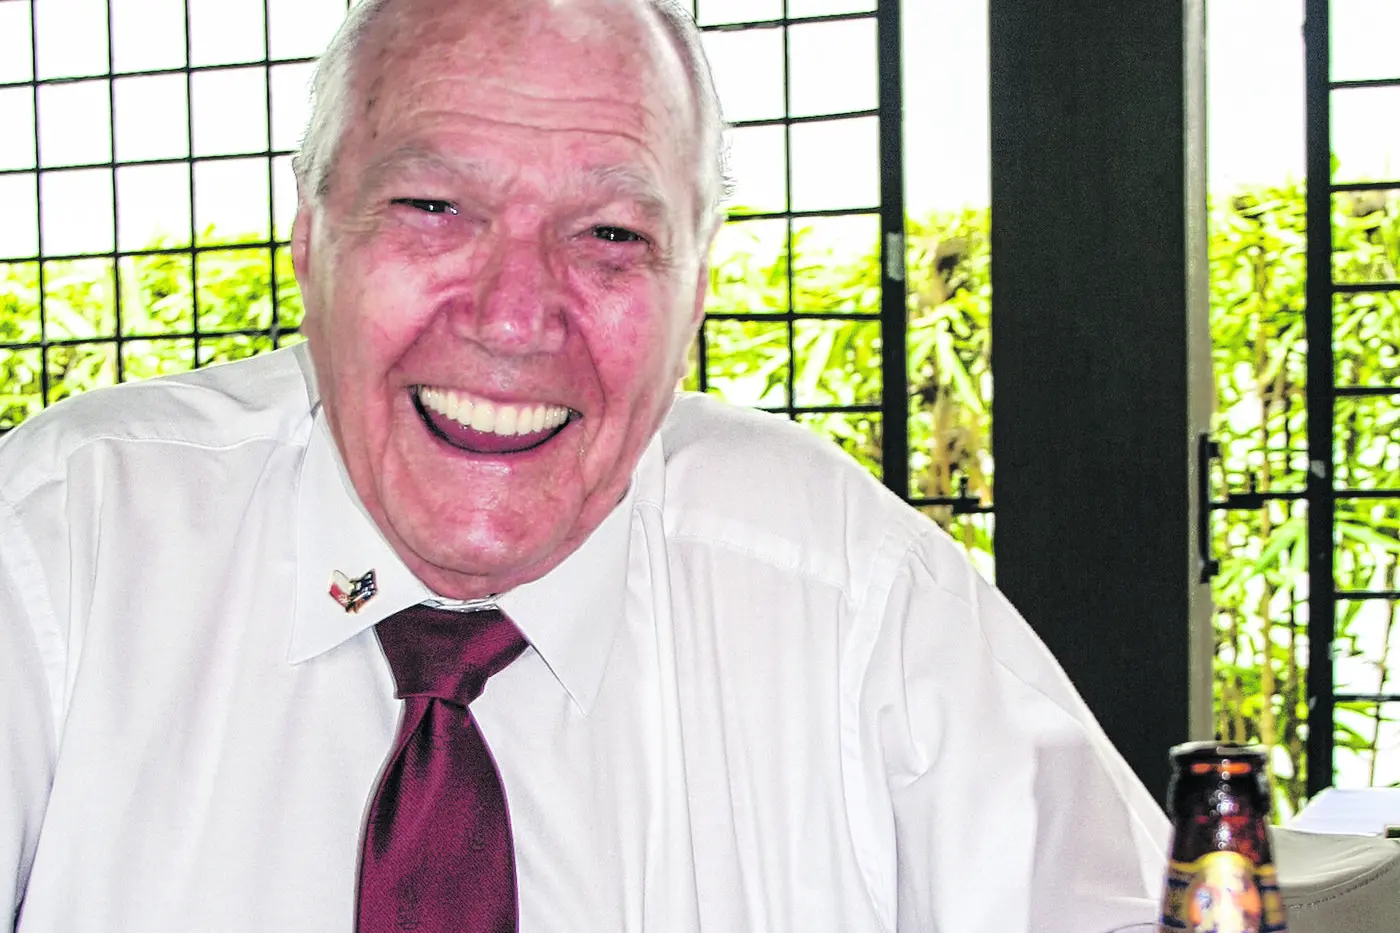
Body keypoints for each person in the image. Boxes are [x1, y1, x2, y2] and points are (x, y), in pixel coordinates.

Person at [0, 0, 1169, 929]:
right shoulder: (64, 545)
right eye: (433, 205)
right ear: (312, 242)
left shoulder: (855, 593)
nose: (515, 318)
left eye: (610, 235)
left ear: (695, 292)